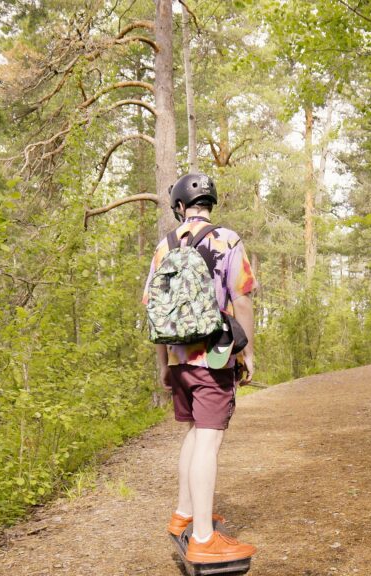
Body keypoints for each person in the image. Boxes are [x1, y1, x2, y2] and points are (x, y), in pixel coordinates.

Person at [145, 173, 258, 564]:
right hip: (214, 356)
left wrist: (163, 363)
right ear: (211, 203)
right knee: (209, 440)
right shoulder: (227, 239)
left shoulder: (165, 245)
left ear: (179, 207)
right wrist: (249, 351)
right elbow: (241, 300)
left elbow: (151, 306)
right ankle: (205, 538)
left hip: (178, 359)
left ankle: (185, 516)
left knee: (195, 434)